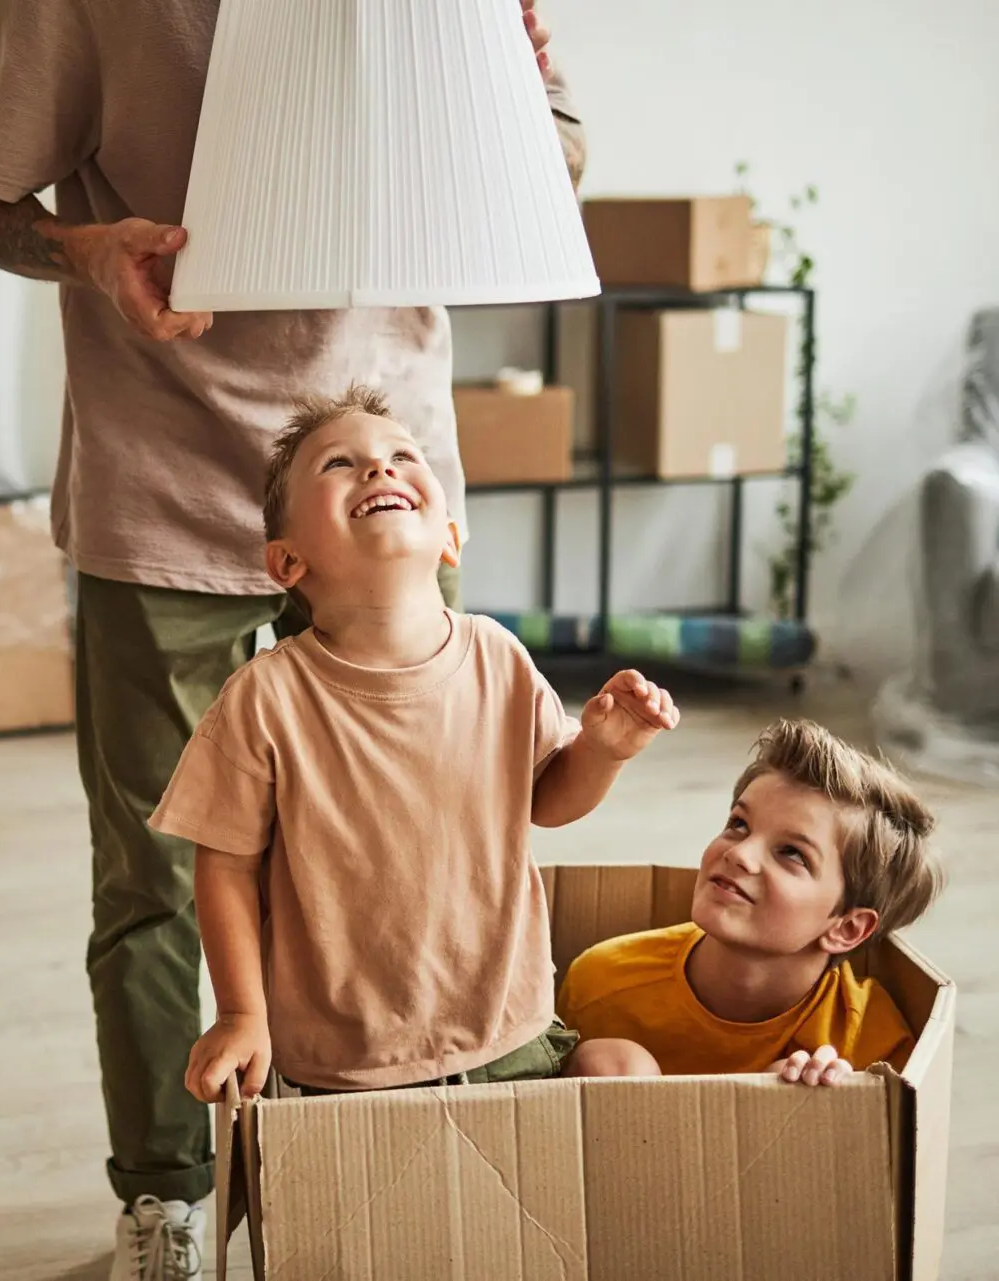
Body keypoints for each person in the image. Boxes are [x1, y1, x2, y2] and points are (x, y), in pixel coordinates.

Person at [0, 3, 586, 1277]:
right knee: (159, 880)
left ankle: (389, 1148)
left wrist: (532, 77)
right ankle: (169, 1198)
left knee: (422, 842)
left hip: (390, 487)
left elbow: (552, 166)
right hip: (161, 484)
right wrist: (86, 251)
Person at [151, 387, 678, 1112]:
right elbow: (225, 865)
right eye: (340, 463)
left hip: (506, 1036)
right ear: (287, 560)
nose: (379, 469)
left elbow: (548, 800)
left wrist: (604, 750)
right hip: (341, 1067)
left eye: (402, 455)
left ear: (451, 538)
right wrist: (244, 1014)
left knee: (623, 1066)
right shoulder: (265, 697)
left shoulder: (498, 656)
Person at [557, 719, 945, 1085]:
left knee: (795, 1083)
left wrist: (841, 1103)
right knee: (612, 1064)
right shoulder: (602, 984)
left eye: (792, 853)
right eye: (739, 824)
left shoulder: (870, 1042)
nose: (740, 854)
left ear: (845, 928)